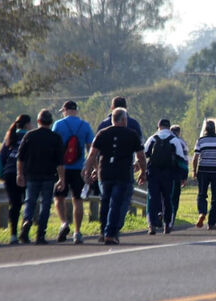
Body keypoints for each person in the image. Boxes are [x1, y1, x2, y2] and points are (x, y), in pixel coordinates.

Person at [82, 108, 146, 245]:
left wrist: (87, 169)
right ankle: (110, 233)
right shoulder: (131, 134)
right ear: (123, 120)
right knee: (116, 203)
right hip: (122, 174)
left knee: (105, 201)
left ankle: (103, 231)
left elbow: (92, 154)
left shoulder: (102, 133)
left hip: (105, 173)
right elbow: (140, 156)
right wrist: (143, 171)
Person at [16, 110, 65, 244]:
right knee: (45, 205)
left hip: (31, 176)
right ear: (51, 122)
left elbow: (20, 158)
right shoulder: (56, 138)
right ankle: (40, 234)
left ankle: (26, 222)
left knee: (30, 202)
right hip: (49, 176)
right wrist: (62, 179)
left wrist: (20, 174)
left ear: (38, 121)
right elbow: (60, 162)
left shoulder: (29, 136)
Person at [52, 100, 94, 244]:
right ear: (76, 110)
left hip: (61, 168)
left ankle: (64, 223)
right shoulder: (85, 126)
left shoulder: (58, 125)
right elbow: (91, 149)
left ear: (65, 110)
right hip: (79, 169)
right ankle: (77, 232)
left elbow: (53, 146)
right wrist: (89, 168)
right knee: (78, 200)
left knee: (58, 198)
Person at [143, 119, 187, 234]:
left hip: (153, 173)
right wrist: (183, 176)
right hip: (169, 174)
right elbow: (181, 159)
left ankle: (151, 225)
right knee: (168, 199)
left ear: (158, 126)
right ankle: (167, 224)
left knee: (153, 198)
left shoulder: (152, 138)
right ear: (169, 127)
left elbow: (143, 156)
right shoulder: (174, 140)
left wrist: (142, 172)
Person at [0, 114, 33, 244]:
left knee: (15, 205)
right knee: (28, 203)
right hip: (25, 174)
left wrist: (1, 174)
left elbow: (0, 159)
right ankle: (25, 230)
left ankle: (13, 235)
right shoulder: (29, 137)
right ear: (27, 125)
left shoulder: (9, 138)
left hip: (9, 174)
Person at [192, 120, 216, 230]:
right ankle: (212, 223)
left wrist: (194, 171)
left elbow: (195, 158)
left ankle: (202, 213)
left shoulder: (200, 140)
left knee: (202, 194)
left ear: (205, 129)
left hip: (203, 170)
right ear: (215, 129)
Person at [169, 124, 190, 226]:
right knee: (174, 198)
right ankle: (171, 218)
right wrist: (184, 176)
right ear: (179, 132)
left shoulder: (164, 139)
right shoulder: (181, 142)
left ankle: (161, 215)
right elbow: (185, 160)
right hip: (177, 173)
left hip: (162, 172)